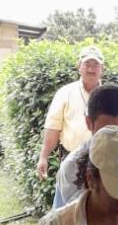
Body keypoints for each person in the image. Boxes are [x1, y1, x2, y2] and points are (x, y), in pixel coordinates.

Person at [52, 84, 118, 209]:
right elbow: (65, 219)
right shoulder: (72, 167)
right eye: (105, 131)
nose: (112, 139)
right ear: (89, 123)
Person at [36, 45, 104, 180]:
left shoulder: (110, 95)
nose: (91, 69)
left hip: (102, 162)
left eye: (95, 64)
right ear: (79, 66)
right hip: (71, 160)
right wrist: (43, 157)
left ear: (102, 69)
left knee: (100, 201)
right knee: (69, 200)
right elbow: (53, 128)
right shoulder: (65, 93)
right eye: (87, 64)